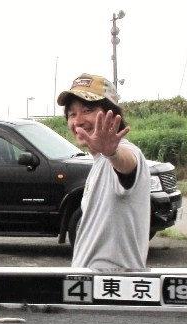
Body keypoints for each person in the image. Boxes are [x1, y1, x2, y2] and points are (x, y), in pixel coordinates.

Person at [57, 73, 151, 270]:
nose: (78, 121)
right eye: (72, 114)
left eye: (88, 110)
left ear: (113, 115)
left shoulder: (124, 153)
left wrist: (112, 152)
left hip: (112, 284)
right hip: (88, 283)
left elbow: (127, 164)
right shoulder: (98, 161)